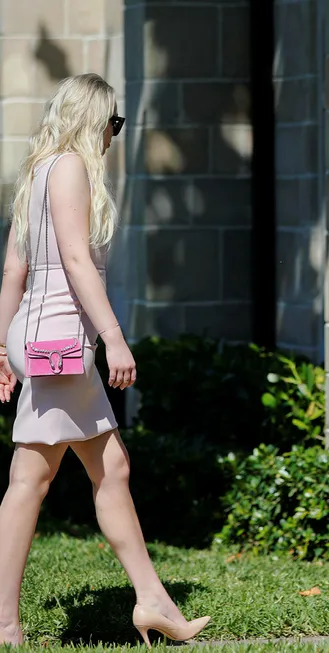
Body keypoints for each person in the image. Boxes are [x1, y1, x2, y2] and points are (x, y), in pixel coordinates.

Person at [0, 73, 211, 647]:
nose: (116, 134)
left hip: (38, 338)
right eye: (114, 122)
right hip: (61, 340)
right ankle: (8, 624)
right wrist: (114, 337)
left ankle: (151, 601)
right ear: (94, 119)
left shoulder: (36, 172)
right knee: (35, 476)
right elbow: (74, 258)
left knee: (96, 469)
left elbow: (14, 272)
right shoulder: (69, 167)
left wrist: (3, 347)